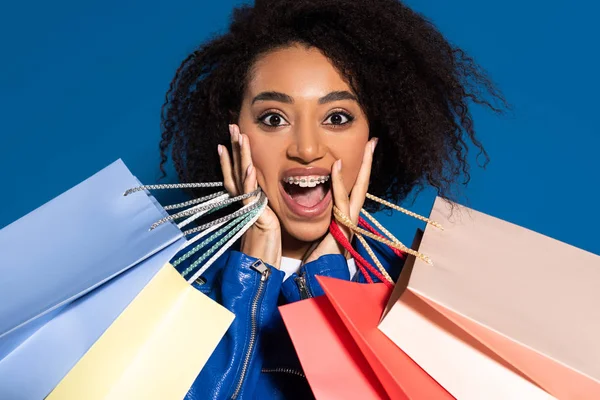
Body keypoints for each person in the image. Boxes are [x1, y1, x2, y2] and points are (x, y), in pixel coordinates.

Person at [159, 0, 506, 398]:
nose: (307, 149)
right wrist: (249, 280)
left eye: (337, 117)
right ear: (235, 135)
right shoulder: (165, 287)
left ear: (374, 139)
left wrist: (328, 283)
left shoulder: (420, 297)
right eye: (274, 118)